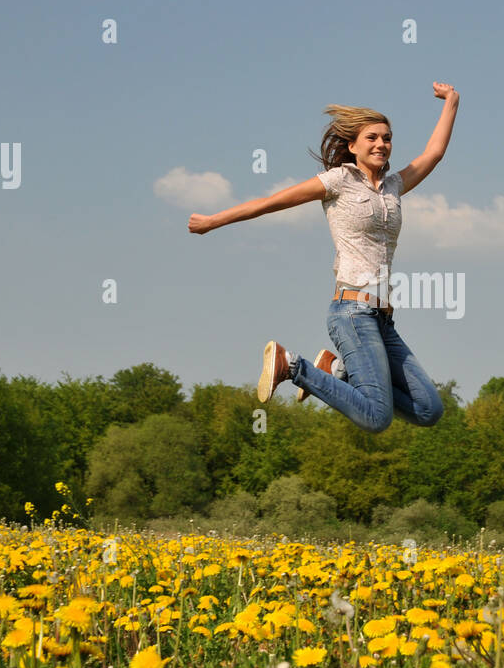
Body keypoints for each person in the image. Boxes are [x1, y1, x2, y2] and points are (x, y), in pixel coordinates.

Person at [187, 82, 460, 432]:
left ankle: (335, 371)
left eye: (387, 138)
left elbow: (434, 153)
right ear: (352, 145)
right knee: (377, 418)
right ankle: (294, 366)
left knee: (428, 410)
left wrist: (451, 101)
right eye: (372, 138)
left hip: (382, 319)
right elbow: (271, 203)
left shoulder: (394, 186)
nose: (381, 144)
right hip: (352, 312)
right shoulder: (338, 181)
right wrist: (213, 221)